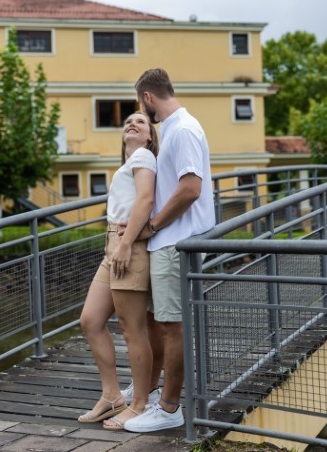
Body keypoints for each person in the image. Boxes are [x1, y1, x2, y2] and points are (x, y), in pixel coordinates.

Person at [123, 68, 215, 433]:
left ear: (148, 97)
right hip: (166, 242)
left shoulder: (184, 129)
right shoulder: (175, 129)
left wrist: (154, 225)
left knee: (171, 326)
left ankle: (169, 408)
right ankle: (149, 392)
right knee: (157, 322)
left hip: (176, 242)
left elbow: (190, 188)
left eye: (140, 102)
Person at [77, 111, 160, 430]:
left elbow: (146, 199)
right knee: (90, 319)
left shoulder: (143, 156)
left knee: (132, 329)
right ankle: (112, 396)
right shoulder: (130, 162)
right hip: (113, 242)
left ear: (149, 136)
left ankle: (139, 404)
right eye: (128, 121)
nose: (132, 124)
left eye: (140, 122)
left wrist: (125, 244)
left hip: (128, 245)